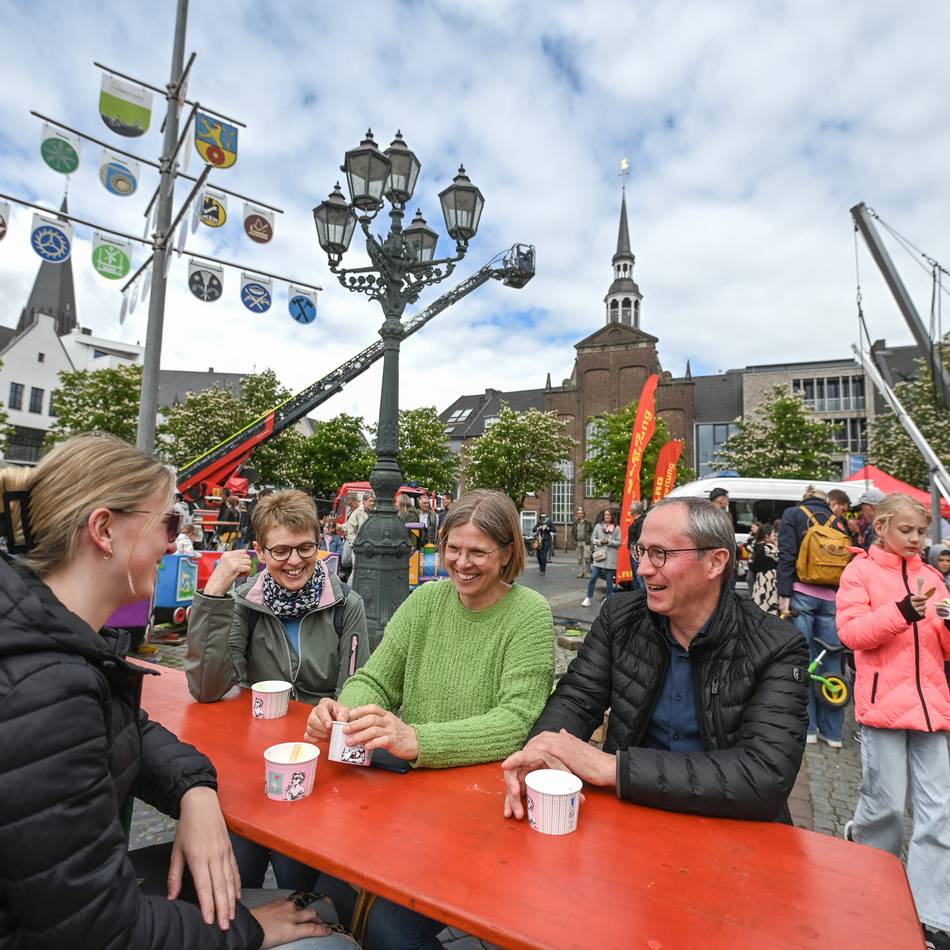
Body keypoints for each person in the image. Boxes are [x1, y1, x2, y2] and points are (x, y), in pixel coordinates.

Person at [0, 434, 341, 949]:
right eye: (170, 523)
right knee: (326, 937)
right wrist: (251, 931)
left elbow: (122, 726)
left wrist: (195, 790)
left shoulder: (41, 642)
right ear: (104, 530)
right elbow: (99, 931)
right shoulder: (47, 684)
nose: (174, 543)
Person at [304, 489, 555, 950]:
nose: (462, 562)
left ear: (506, 554)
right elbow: (376, 680)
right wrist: (347, 711)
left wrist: (417, 739)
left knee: (388, 928)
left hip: (481, 807)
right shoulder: (427, 601)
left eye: (478, 551)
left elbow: (516, 722)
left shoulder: (528, 615)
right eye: (453, 548)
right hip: (413, 800)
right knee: (328, 888)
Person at [502, 496, 809, 824]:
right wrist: (541, 749)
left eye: (661, 554)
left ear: (716, 562)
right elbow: (577, 698)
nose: (644, 568)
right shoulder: (620, 618)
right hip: (627, 820)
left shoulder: (777, 645)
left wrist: (614, 768)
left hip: (731, 835)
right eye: (642, 551)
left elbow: (762, 776)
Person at [186, 489, 369, 892]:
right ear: (260, 551)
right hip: (255, 759)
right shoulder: (245, 603)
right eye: (281, 551)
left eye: (306, 548)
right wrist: (214, 593)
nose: (295, 561)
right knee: (238, 868)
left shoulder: (344, 604)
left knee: (296, 876)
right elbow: (207, 687)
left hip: (315, 761)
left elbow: (355, 690)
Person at [836, 493, 950, 949]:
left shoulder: (933, 576)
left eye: (921, 531)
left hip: (932, 708)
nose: (917, 539)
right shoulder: (859, 572)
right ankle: (874, 893)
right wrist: (904, 610)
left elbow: (943, 648)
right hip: (884, 707)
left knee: (938, 810)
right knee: (885, 808)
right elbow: (852, 634)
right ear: (881, 526)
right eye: (907, 530)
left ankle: (931, 913)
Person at [778, 486, 852, 749]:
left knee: (803, 660)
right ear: (828, 502)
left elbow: (786, 555)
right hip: (832, 598)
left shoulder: (793, 515)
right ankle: (833, 733)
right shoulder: (839, 521)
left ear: (805, 498)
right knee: (831, 661)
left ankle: (807, 728)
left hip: (801, 594)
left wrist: (783, 593)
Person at [581, 508, 621, 607]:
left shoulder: (617, 528)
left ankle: (608, 600)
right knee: (593, 577)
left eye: (609, 515)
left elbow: (619, 543)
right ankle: (588, 598)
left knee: (609, 580)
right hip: (599, 556)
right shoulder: (598, 526)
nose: (607, 516)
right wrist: (600, 542)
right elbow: (592, 539)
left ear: (612, 516)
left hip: (611, 557)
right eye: (605, 515)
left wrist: (609, 542)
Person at [750, 522, 779, 614]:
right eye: (773, 534)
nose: (774, 537)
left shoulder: (756, 546)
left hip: (760, 578)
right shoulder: (768, 548)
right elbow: (780, 557)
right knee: (769, 602)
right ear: (767, 536)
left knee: (760, 601)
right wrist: (776, 545)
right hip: (769, 579)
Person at [573, 507, 592, 578]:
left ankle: (588, 572)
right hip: (578, 542)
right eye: (578, 513)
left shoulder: (588, 522)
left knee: (587, 558)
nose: (579, 514)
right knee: (579, 558)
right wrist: (574, 540)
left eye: (580, 513)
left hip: (586, 542)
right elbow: (573, 532)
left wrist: (590, 540)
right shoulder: (575, 523)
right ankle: (581, 572)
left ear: (584, 514)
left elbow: (591, 531)